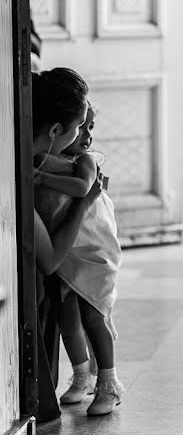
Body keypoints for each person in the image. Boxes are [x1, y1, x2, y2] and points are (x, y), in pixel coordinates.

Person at [35, 103, 125, 416]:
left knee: (93, 316)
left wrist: (42, 178)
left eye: (91, 128)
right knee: (67, 320)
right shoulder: (43, 157)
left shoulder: (84, 160)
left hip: (91, 250)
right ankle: (82, 375)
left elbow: (83, 187)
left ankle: (109, 382)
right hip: (66, 249)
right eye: (82, 126)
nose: (87, 135)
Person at [31, 67, 103, 423]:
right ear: (57, 130)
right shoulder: (24, 171)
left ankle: (90, 375)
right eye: (80, 126)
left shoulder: (56, 161)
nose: (84, 135)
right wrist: (85, 204)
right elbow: (50, 259)